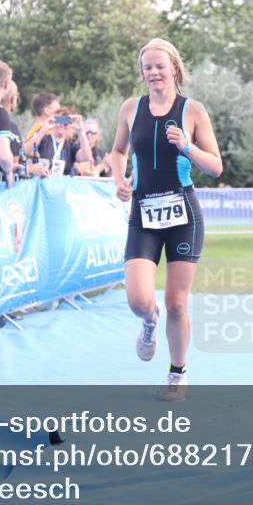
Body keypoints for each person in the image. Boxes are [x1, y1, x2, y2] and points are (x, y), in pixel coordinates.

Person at [107, 38, 222, 401]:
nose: (154, 72)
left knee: (177, 301)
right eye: (148, 67)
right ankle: (149, 321)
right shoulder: (131, 108)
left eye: (160, 66)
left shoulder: (193, 111)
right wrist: (120, 180)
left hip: (183, 216)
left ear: (174, 68)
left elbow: (216, 167)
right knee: (139, 300)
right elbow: (117, 151)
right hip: (143, 212)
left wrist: (186, 146)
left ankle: (177, 374)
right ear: (142, 73)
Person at [24, 104, 91, 177]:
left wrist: (81, 131)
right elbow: (25, 151)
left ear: (70, 124)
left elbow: (86, 158)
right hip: (41, 182)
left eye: (65, 122)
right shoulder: (43, 139)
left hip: (62, 183)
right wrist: (44, 129)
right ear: (53, 121)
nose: (61, 125)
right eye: (58, 120)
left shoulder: (71, 146)